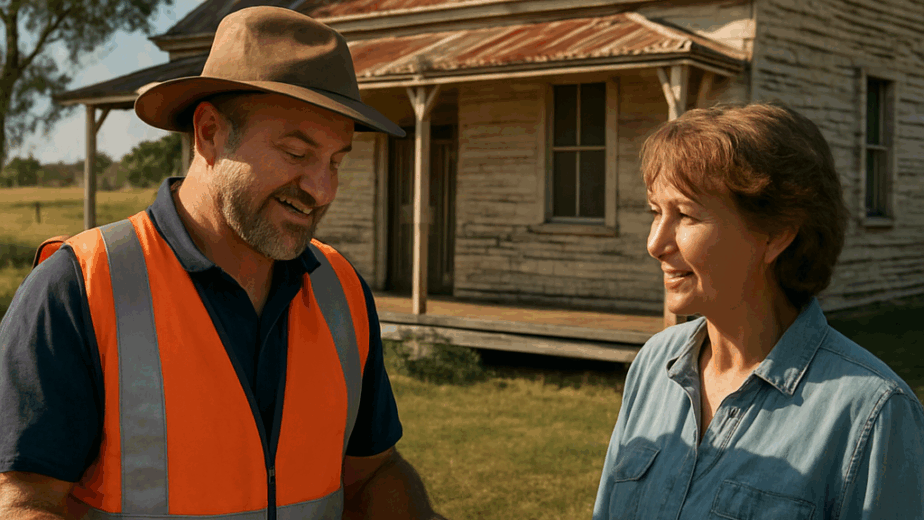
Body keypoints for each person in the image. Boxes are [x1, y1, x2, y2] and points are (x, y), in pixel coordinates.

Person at [0, 7, 446, 520]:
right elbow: (25, 501)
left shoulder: (340, 291)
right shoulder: (80, 287)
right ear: (209, 132)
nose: (322, 189)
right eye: (297, 152)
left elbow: (373, 472)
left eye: (335, 161)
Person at [593, 102, 924, 519]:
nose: (655, 243)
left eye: (686, 215)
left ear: (775, 235)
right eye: (656, 212)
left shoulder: (872, 413)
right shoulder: (654, 365)